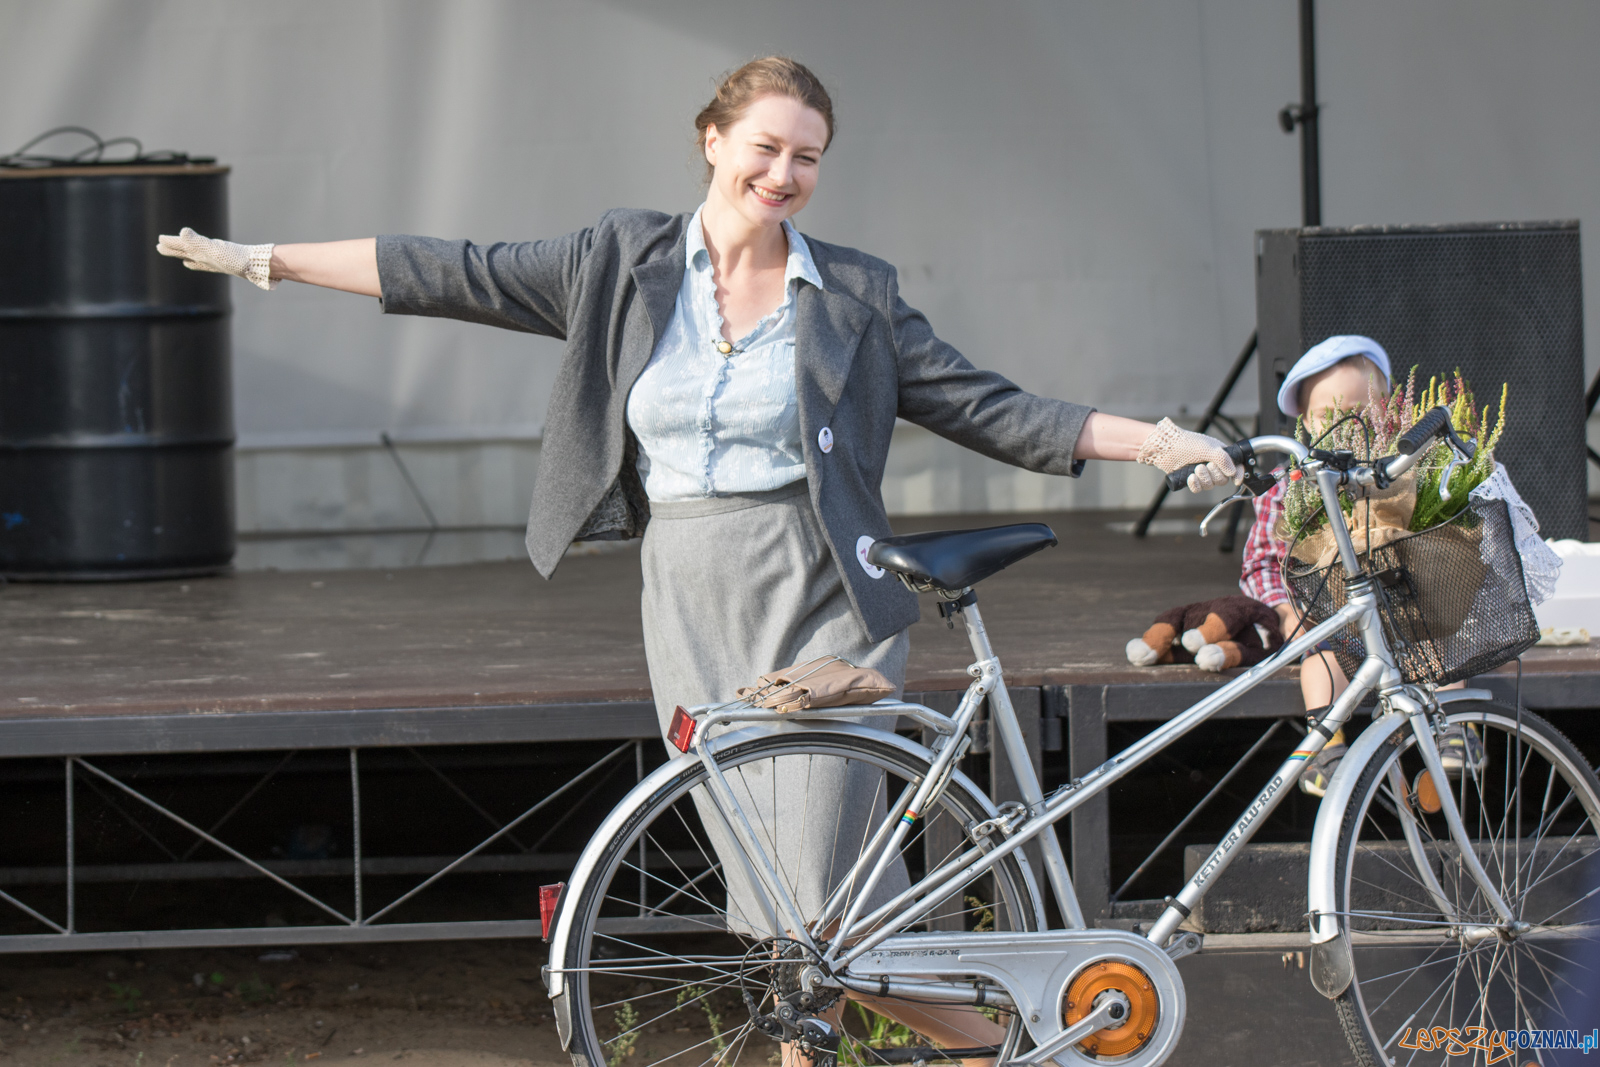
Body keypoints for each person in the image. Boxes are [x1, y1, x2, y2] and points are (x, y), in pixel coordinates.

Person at [158, 56, 1237, 1058]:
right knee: (777, 901)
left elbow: (986, 405)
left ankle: (1004, 1039)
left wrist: (1152, 439)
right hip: (686, 589)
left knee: (821, 888)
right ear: (711, 140)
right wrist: (270, 260)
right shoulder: (617, 259)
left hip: (823, 591)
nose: (784, 172)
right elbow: (456, 272)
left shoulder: (853, 293)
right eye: (765, 145)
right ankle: (925, 1038)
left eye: (807, 155)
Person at [1239, 335, 1480, 796]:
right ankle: (1324, 751)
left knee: (1439, 646)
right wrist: (1287, 611)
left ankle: (1451, 729)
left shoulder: (1404, 478)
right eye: (1329, 417)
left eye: (1361, 413)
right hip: (1333, 618)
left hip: (1402, 612)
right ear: (1305, 426)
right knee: (1321, 659)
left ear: (1387, 413)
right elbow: (1261, 564)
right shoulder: (1289, 491)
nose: (1346, 428)